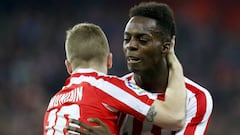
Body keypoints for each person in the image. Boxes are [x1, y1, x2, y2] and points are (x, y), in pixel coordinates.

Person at [66, 1, 213, 135]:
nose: (131, 46)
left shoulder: (196, 98)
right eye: (127, 39)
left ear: (166, 47)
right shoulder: (112, 92)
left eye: (142, 40)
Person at [43, 22, 186, 135]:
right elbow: (175, 117)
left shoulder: (54, 102)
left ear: (68, 67)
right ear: (109, 60)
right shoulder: (107, 87)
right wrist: (173, 63)